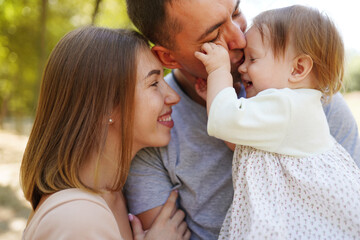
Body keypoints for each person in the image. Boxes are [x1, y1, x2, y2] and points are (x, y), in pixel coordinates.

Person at [124, 0, 360, 239]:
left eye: (236, 12)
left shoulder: (310, 95)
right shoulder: (153, 129)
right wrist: (217, 93)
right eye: (214, 35)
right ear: (169, 57)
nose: (240, 38)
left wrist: (218, 77)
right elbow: (238, 138)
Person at [194, 5, 360, 239]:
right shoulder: (296, 105)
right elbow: (239, 140)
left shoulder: (285, 106)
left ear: (297, 69)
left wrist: (218, 71)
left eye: (252, 58)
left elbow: (224, 123)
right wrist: (219, 96)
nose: (241, 67)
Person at [20, 26, 191, 240]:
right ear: (104, 108)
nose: (173, 96)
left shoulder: (115, 194)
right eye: (154, 83)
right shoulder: (78, 220)